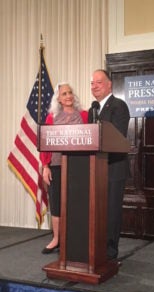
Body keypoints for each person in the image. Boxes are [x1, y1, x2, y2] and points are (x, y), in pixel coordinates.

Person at [40, 82, 88, 254]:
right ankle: (56, 239)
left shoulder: (84, 115)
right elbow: (45, 144)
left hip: (78, 166)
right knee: (56, 202)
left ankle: (74, 240)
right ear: (58, 99)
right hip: (56, 166)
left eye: (70, 93)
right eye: (64, 94)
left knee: (76, 203)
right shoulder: (51, 118)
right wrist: (45, 166)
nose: (68, 96)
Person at [88, 69, 130, 260]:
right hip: (94, 169)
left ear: (109, 84)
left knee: (111, 211)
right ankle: (95, 248)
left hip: (113, 167)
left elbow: (117, 136)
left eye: (98, 82)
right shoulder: (92, 110)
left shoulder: (119, 106)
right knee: (96, 211)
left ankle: (110, 253)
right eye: (92, 83)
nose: (94, 86)